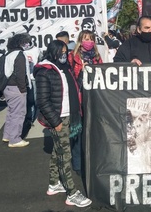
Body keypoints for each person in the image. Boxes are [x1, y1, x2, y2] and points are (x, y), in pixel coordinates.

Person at [34, 40, 92, 208]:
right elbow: (43, 101)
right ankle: (72, 193)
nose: (64, 55)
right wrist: (56, 122)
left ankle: (53, 184)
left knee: (58, 151)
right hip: (58, 119)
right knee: (65, 156)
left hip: (69, 116)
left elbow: (73, 88)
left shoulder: (65, 68)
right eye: (61, 52)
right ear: (53, 52)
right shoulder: (44, 72)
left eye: (66, 52)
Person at [68, 30, 102, 174]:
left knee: (92, 133)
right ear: (80, 41)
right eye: (85, 39)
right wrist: (80, 71)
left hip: (93, 99)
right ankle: (78, 164)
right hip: (78, 99)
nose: (88, 42)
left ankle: (92, 163)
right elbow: (68, 77)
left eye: (91, 39)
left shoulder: (97, 57)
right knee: (78, 133)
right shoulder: (72, 57)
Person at [2, 33, 32, 148]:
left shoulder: (9, 54)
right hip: (17, 88)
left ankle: (8, 135)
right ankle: (14, 139)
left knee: (11, 112)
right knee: (18, 114)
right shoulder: (19, 55)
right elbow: (20, 74)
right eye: (26, 42)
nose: (27, 44)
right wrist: (23, 89)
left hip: (8, 87)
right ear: (20, 43)